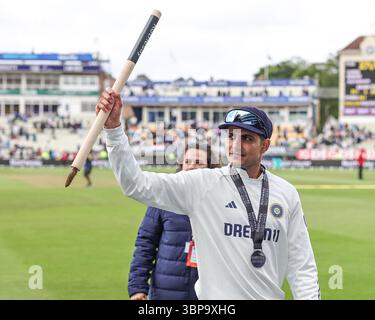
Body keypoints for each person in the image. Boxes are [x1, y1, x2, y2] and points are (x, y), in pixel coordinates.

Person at [96, 88, 320, 300]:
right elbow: (135, 184)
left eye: (247, 138)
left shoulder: (287, 193)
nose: (235, 144)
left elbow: (302, 264)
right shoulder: (203, 183)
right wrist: (114, 130)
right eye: (232, 136)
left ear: (265, 146)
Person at [128, 143, 220, 300]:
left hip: (210, 292)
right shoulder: (164, 195)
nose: (191, 167)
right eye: (187, 162)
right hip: (166, 291)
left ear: (210, 168)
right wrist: (138, 287)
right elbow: (146, 243)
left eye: (198, 163)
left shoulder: (222, 201)